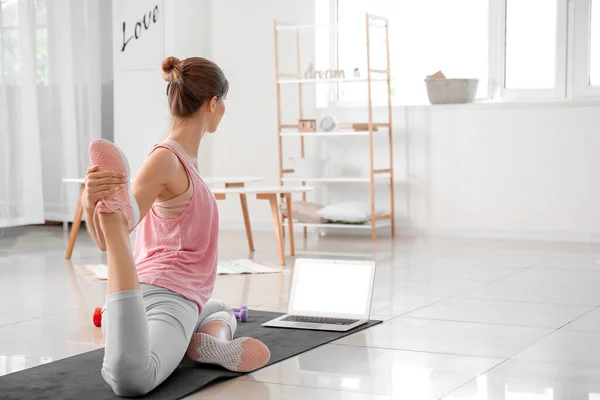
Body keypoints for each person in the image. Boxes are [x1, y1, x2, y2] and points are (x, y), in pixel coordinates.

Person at [83, 56, 270, 397]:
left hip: (166, 295)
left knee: (219, 308)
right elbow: (116, 234)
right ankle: (200, 340)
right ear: (213, 104)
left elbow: (113, 237)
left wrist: (89, 206)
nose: (224, 109)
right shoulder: (166, 159)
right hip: (168, 298)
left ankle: (209, 340)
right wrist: (102, 211)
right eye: (224, 102)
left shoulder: (180, 160)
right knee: (134, 378)